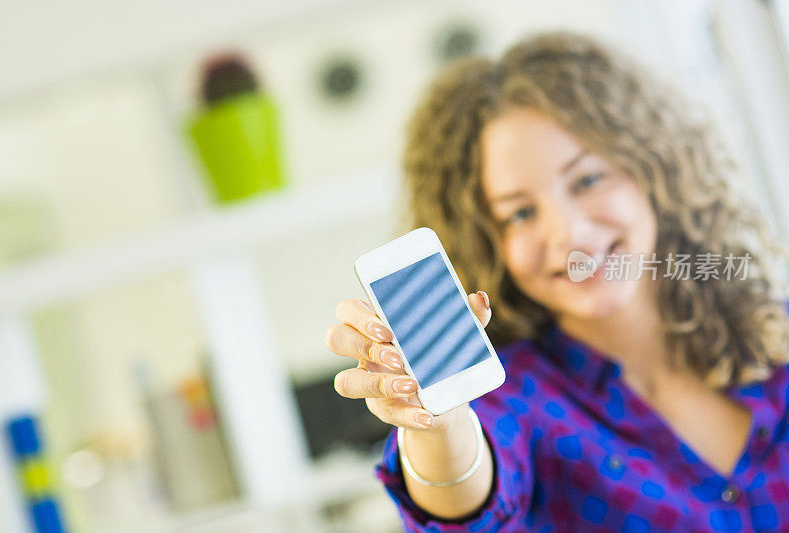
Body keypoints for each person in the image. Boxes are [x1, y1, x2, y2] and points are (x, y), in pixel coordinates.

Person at [324, 31, 789, 531]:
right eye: (520, 213)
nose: (569, 234)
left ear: (654, 170)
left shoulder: (775, 334)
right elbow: (467, 500)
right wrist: (438, 423)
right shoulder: (512, 397)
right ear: (487, 242)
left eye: (588, 180)